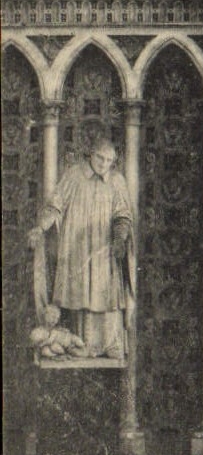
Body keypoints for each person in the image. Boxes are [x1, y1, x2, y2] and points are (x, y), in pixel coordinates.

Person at [29, 134, 136, 362]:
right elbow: (55, 205)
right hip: (76, 248)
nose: (104, 164)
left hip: (104, 250)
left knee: (105, 292)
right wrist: (40, 227)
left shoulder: (116, 181)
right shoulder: (73, 175)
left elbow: (123, 214)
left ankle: (108, 344)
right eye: (100, 158)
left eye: (109, 160)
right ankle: (79, 344)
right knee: (78, 294)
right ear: (91, 154)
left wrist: (120, 236)